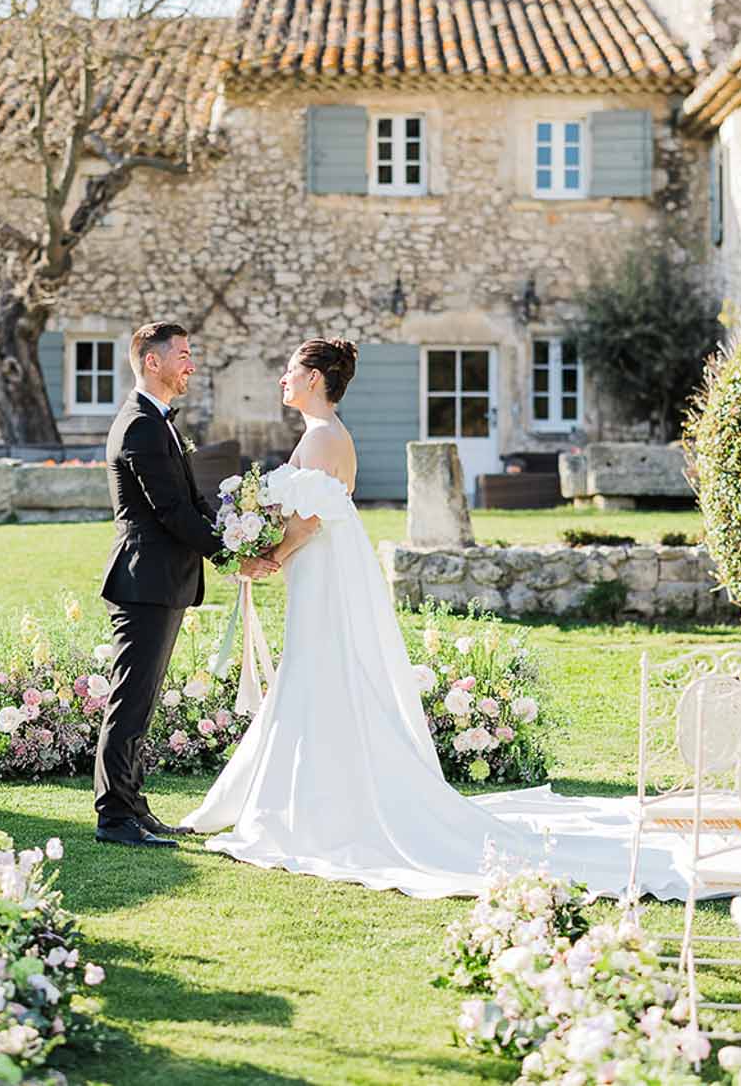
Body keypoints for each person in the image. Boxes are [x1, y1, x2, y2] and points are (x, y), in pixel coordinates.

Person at [182, 337, 687, 899]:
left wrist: (265, 557)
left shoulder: (325, 437)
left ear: (316, 379)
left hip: (322, 571)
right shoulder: (318, 434)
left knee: (319, 669)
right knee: (315, 671)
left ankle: (320, 806)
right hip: (318, 574)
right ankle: (303, 792)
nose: (282, 378)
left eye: (290, 370)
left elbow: (310, 524)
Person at [95, 320, 276, 847]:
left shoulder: (159, 422)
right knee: (130, 699)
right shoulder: (139, 426)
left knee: (143, 699)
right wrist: (230, 557)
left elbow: (190, 500)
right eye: (183, 355)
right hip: (142, 579)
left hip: (161, 580)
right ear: (152, 362)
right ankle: (115, 819)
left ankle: (133, 805)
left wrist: (238, 541)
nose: (190, 364)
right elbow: (169, 509)